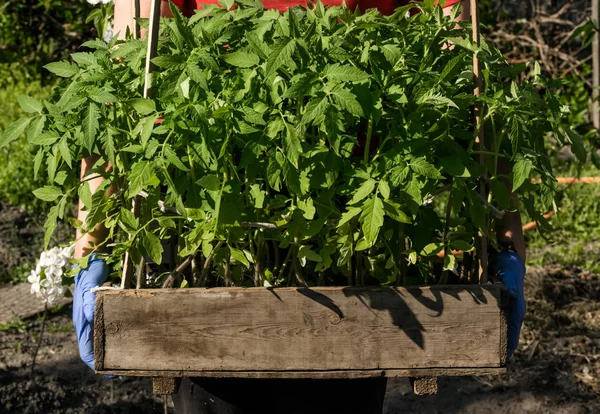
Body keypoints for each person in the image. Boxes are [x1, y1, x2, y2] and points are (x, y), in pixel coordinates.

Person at [72, 0, 526, 412]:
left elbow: (469, 86)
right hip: (211, 232)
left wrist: (505, 245)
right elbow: (120, 83)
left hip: (353, 258)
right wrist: (88, 252)